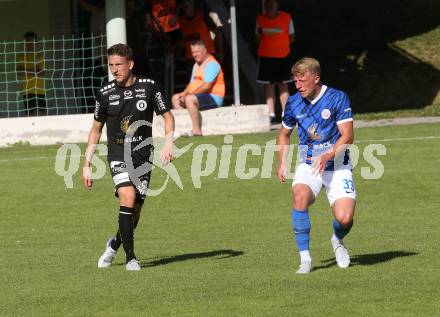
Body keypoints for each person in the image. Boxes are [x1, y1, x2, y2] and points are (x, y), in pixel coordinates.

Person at [82, 43, 175, 271]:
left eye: (119, 64)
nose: (114, 70)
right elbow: (95, 130)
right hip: (118, 154)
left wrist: (169, 142)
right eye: (111, 65)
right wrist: (87, 164)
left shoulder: (149, 87)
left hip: (143, 156)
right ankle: (131, 258)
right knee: (127, 195)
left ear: (130, 64)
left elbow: (168, 116)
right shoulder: (105, 94)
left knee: (135, 210)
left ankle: (113, 245)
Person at [276, 57, 356, 274]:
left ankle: (337, 240)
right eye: (295, 81)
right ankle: (305, 259)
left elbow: (347, 136)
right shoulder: (293, 103)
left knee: (345, 218)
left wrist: (329, 154)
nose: (298, 85)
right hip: (309, 162)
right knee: (300, 196)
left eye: (303, 80)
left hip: (338, 163)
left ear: (316, 78)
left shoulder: (337, 98)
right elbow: (284, 133)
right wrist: (282, 160)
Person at [171, 39, 225, 136]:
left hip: (214, 97)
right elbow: (191, 84)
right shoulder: (196, 64)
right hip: (199, 96)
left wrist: (189, 95)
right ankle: (184, 128)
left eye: (197, 52)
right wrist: (183, 93)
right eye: (193, 52)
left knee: (189, 99)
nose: (195, 55)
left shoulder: (212, 64)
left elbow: (206, 87)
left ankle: (197, 130)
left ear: (204, 51)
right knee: (176, 98)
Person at [256, 0, 295, 123]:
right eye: (266, 6)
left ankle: (286, 113)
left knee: (283, 85)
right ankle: (271, 114)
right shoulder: (260, 19)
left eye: (271, 5)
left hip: (283, 56)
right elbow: (258, 36)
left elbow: (291, 37)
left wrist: (280, 45)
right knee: (269, 86)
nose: (269, 8)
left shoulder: (287, 18)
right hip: (266, 57)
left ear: (276, 5)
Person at [178, 0, 223, 64]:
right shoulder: (180, 21)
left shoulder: (202, 16)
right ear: (181, 6)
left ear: (193, 2)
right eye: (183, 2)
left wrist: (220, 53)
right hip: (192, 61)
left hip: (208, 57)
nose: (186, 4)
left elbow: (218, 33)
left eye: (189, 1)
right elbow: (181, 41)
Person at [16, 32, 46, 116]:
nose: (29, 43)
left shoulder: (40, 56)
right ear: (25, 42)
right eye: (27, 41)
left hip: (40, 91)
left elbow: (42, 73)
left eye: (31, 41)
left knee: (42, 116)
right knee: (30, 116)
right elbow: (19, 72)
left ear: (35, 42)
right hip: (27, 91)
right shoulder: (21, 57)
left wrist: (26, 70)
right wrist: (34, 70)